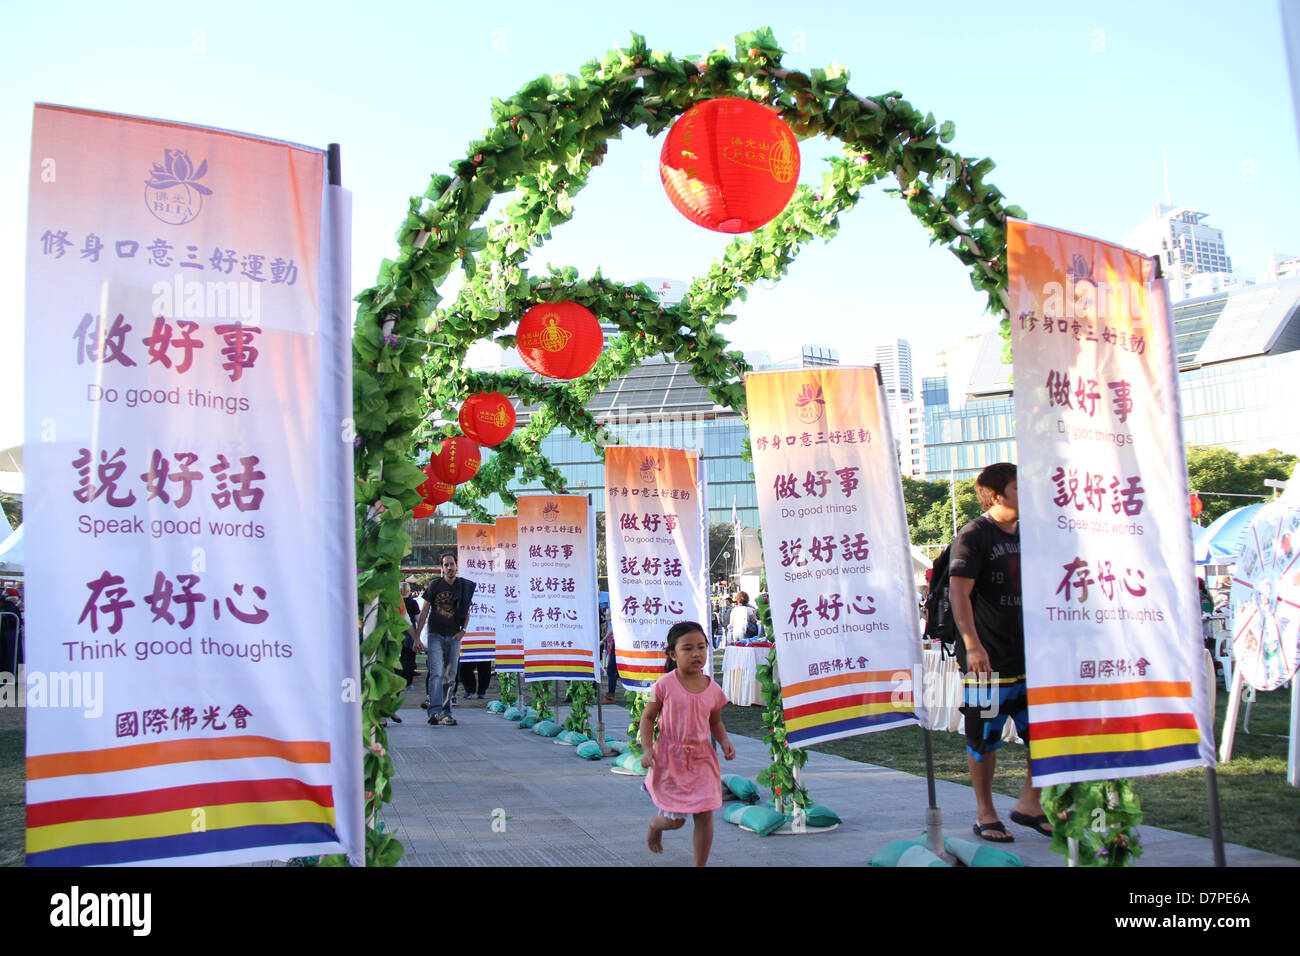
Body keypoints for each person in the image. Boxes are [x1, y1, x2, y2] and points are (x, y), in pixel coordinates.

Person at [948, 462, 1050, 843]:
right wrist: (972, 645)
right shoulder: (975, 535)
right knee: (984, 735)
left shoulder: (1033, 533)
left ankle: (1030, 804)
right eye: (1018, 488)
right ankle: (985, 811)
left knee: (1043, 733)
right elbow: (959, 593)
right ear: (997, 495)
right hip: (988, 665)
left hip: (1033, 660)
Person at [639, 621, 735, 866]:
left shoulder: (712, 688)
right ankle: (655, 824)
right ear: (673, 654)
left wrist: (724, 740)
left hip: (702, 759)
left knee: (704, 815)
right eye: (688, 648)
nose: (696, 654)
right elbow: (648, 718)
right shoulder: (663, 686)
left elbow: (715, 722)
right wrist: (648, 749)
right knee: (676, 820)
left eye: (701, 647)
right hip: (671, 760)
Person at [414, 552, 476, 726]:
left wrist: (463, 631)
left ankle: (446, 712)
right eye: (446, 565)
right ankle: (434, 711)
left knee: (450, 676)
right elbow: (425, 611)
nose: (449, 568)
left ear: (456, 566)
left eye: (452, 564)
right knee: (436, 674)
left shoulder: (463, 586)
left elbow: (466, 611)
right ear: (442, 568)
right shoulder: (435, 586)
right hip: (435, 635)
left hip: (454, 635)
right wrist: (417, 637)